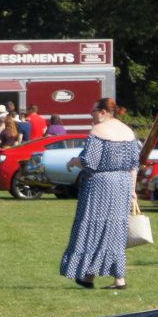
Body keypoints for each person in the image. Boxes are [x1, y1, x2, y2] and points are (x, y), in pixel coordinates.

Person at [59, 98, 141, 291]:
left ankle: (88, 275)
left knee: (92, 227)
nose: (91, 115)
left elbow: (90, 162)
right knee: (115, 231)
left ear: (104, 112)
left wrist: (73, 161)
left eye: (93, 111)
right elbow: (133, 166)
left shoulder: (97, 131)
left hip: (101, 185)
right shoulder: (128, 131)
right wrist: (132, 190)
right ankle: (116, 278)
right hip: (122, 184)